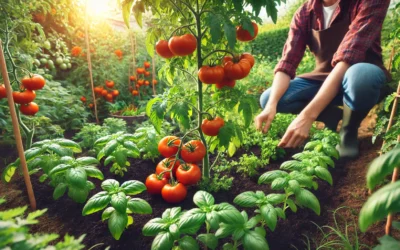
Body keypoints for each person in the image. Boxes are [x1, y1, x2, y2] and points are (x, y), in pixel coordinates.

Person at [254, 0, 391, 159]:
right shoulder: (305, 12)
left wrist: (307, 116)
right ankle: (331, 116)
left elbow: (349, 56)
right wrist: (271, 105)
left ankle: (349, 130)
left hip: (363, 73)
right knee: (269, 98)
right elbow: (288, 62)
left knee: (360, 77)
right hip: (324, 76)